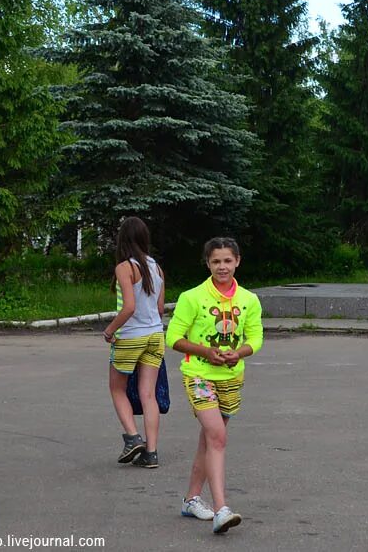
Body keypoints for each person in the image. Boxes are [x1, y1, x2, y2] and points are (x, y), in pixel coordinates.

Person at [166, 237, 263, 535]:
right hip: (198, 375)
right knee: (218, 437)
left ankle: (191, 499)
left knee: (209, 440)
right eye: (216, 261)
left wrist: (240, 352)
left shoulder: (249, 299)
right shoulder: (191, 297)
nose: (222, 266)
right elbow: (173, 337)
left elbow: (255, 338)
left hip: (232, 379)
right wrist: (205, 352)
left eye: (227, 261)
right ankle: (222, 509)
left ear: (237, 261)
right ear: (207, 263)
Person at [102, 216, 165, 469]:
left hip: (131, 336)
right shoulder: (157, 268)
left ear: (122, 239)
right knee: (148, 394)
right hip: (155, 336)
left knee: (117, 388)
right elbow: (159, 309)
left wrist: (109, 330)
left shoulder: (124, 267)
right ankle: (151, 452)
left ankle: (132, 438)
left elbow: (128, 307)